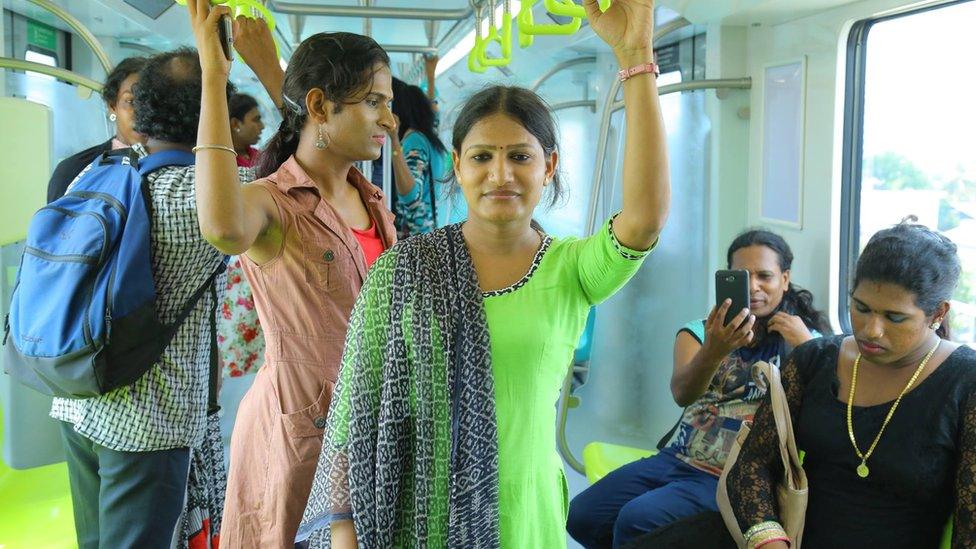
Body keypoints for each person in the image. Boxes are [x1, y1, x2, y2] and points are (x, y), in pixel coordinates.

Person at [298, 0, 669, 546]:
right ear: (459, 166)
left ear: (549, 167)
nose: (501, 174)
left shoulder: (570, 269)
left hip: (526, 520)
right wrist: (343, 530)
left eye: (520, 156)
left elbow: (644, 219)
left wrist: (636, 58)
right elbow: (356, 409)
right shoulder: (407, 269)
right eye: (482, 156)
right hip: (416, 522)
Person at [186, 2, 398, 546]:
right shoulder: (272, 204)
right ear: (320, 106)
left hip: (375, 419)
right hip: (302, 424)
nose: (390, 120)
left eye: (388, 104)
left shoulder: (371, 201)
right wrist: (215, 77)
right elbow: (222, 228)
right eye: (375, 102)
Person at [49, 47, 252, 548]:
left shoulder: (93, 174)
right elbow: (298, 169)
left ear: (140, 111)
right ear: (218, 119)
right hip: (149, 424)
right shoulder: (204, 198)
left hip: (79, 401)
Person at [567, 229, 831, 548]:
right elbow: (683, 394)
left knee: (636, 519)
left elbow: (830, 411)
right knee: (582, 514)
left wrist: (805, 346)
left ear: (785, 280)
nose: (753, 286)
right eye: (741, 276)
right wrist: (715, 349)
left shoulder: (806, 342)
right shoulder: (699, 333)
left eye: (765, 276)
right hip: (677, 458)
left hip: (734, 475)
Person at [726, 222, 976, 549]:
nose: (872, 330)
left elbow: (970, 526)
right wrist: (770, 540)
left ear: (938, 313)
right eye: (861, 308)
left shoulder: (965, 383)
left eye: (895, 317)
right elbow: (752, 464)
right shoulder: (814, 360)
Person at [46, 56, 147, 202]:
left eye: (151, 102)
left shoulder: (179, 170)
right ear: (112, 106)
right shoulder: (74, 170)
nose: (142, 112)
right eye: (130, 101)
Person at [388, 77, 464, 236]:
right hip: (433, 230)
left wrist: (394, 141)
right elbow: (434, 111)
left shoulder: (414, 141)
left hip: (416, 239)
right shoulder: (429, 137)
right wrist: (430, 73)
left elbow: (411, 196)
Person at [229, 92, 265, 167]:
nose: (262, 126)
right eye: (256, 120)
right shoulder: (223, 163)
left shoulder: (260, 156)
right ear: (235, 124)